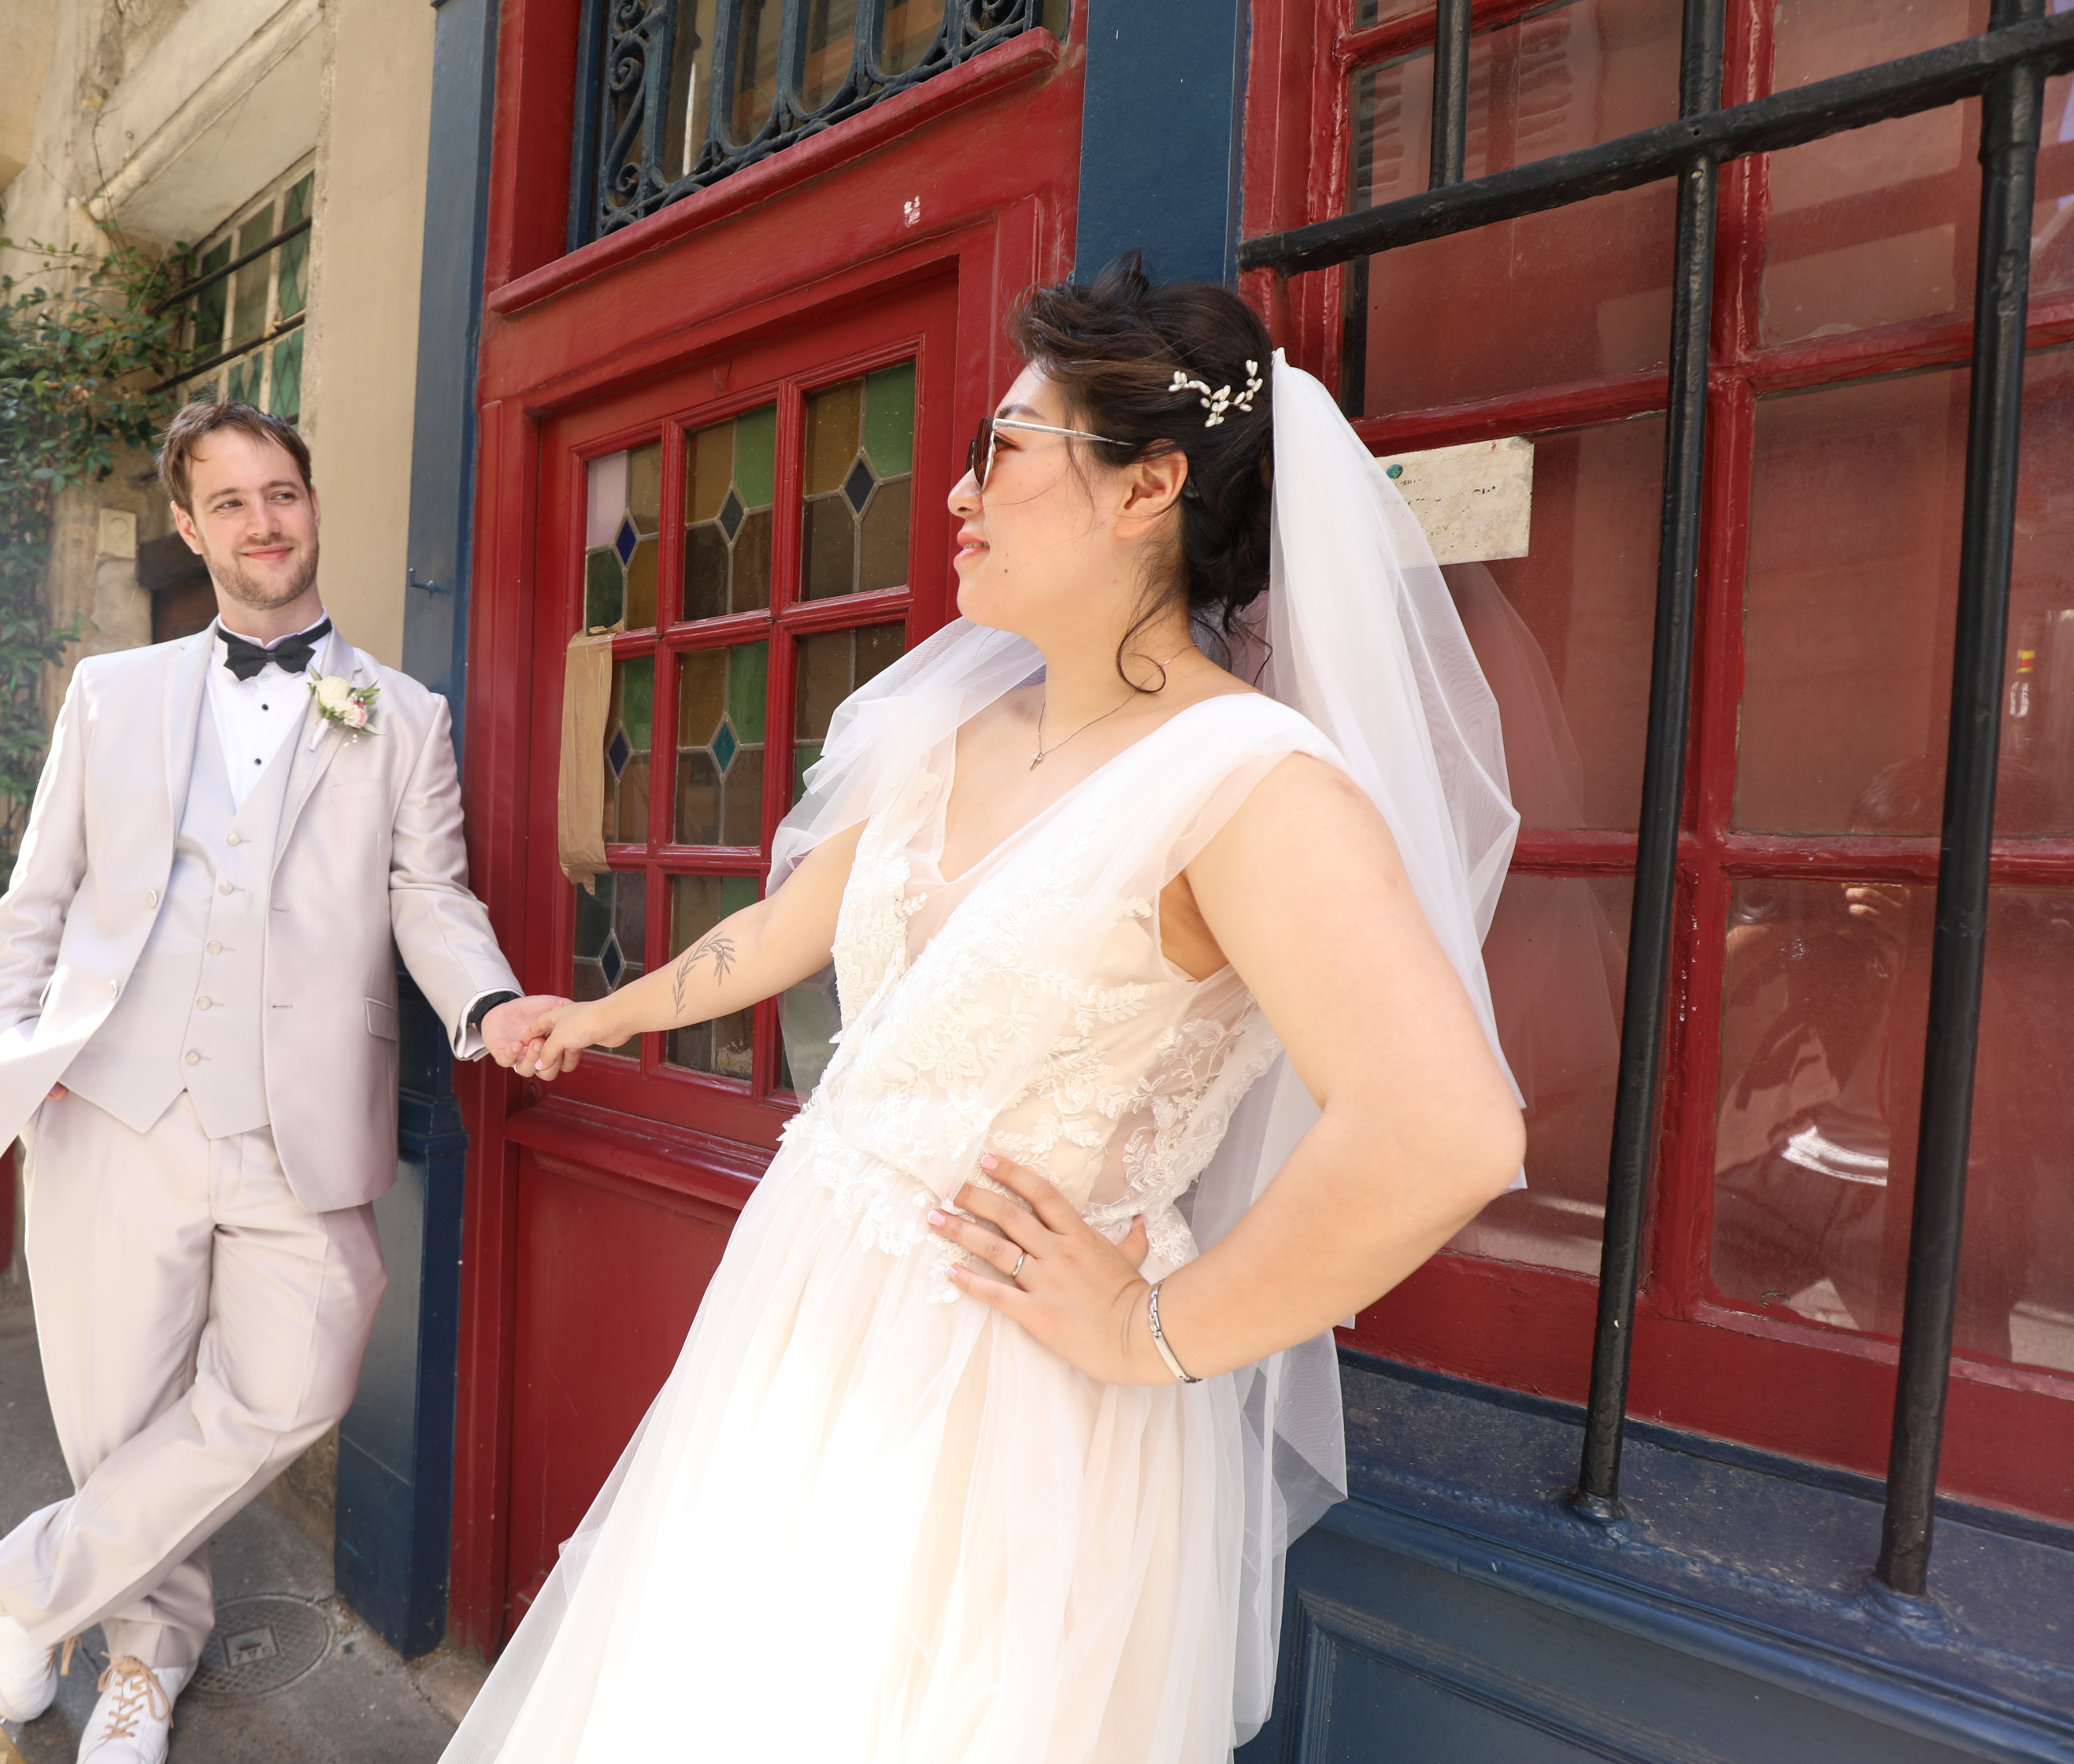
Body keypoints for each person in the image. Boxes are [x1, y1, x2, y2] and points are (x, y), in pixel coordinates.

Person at [446, 261, 1528, 1762]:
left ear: (1148, 486)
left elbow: (1446, 1132)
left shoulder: (1251, 788)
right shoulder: (948, 724)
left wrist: (1153, 1330)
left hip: (1005, 1396)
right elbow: (790, 927)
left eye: (1004, 448)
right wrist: (603, 1013)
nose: (957, 493)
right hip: (811, 1306)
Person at [0, 402, 561, 1763]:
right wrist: (11, 1060)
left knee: (296, 1381)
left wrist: (490, 1001)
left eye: (280, 492)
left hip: (302, 1122)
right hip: (113, 1104)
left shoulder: (403, 716)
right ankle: (142, 1665)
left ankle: (15, 1587)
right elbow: (37, 897)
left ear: (311, 502)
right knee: (123, 1419)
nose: (262, 522)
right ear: (190, 527)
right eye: (228, 503)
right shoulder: (114, 695)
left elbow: (430, 897)